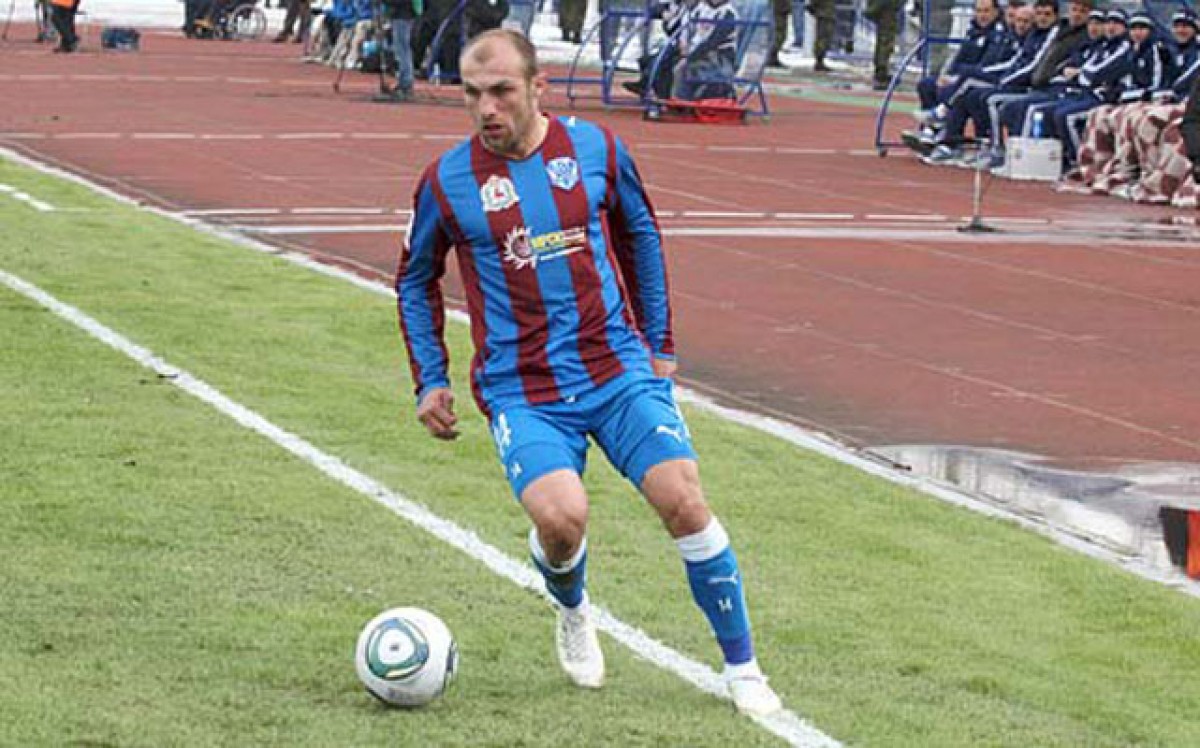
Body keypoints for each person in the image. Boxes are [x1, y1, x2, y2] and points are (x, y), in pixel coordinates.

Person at [395, 28, 783, 717]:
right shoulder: (446, 182)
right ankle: (572, 607)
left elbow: (640, 234)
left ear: (538, 86)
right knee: (562, 521)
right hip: (523, 388)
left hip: (615, 368)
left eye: (501, 92)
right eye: (473, 94)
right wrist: (431, 377)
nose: (486, 108)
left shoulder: (597, 149)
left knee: (683, 500)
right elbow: (414, 277)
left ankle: (743, 667)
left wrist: (660, 342)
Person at [381, 0, 420, 99]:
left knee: (402, 49)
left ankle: (406, 82)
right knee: (402, 49)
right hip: (402, 15)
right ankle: (404, 81)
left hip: (402, 15)